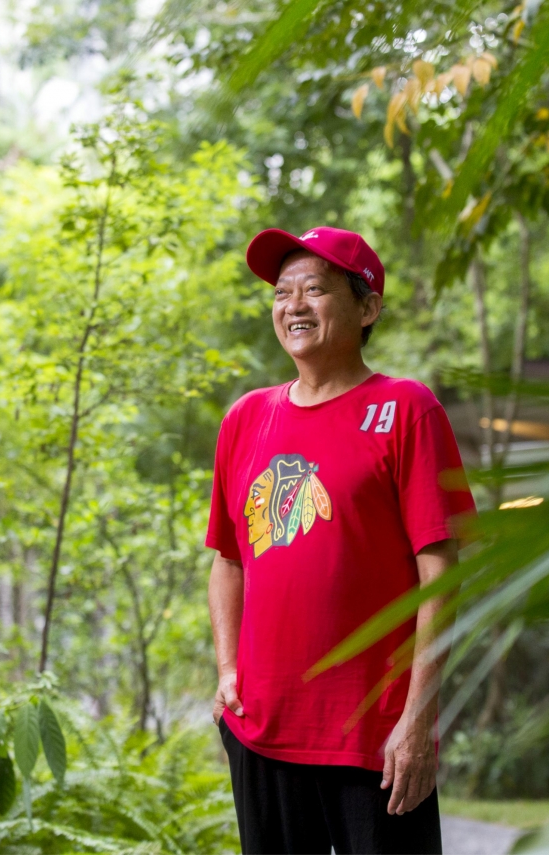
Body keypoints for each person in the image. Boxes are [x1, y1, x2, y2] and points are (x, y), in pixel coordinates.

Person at [206, 226, 476, 854]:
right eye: (281, 292)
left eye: (315, 290)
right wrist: (227, 672)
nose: (292, 305)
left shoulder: (408, 409)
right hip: (262, 733)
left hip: (373, 739)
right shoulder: (246, 418)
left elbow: (442, 567)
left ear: (367, 306)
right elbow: (228, 560)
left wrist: (418, 719)